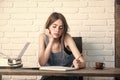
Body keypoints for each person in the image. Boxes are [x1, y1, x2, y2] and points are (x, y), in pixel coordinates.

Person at [38, 12, 86, 80]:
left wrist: (78, 64)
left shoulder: (67, 37)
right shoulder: (42, 37)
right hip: (49, 77)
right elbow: (42, 63)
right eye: (54, 26)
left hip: (67, 77)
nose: (57, 30)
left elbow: (83, 63)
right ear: (48, 27)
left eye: (61, 28)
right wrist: (51, 41)